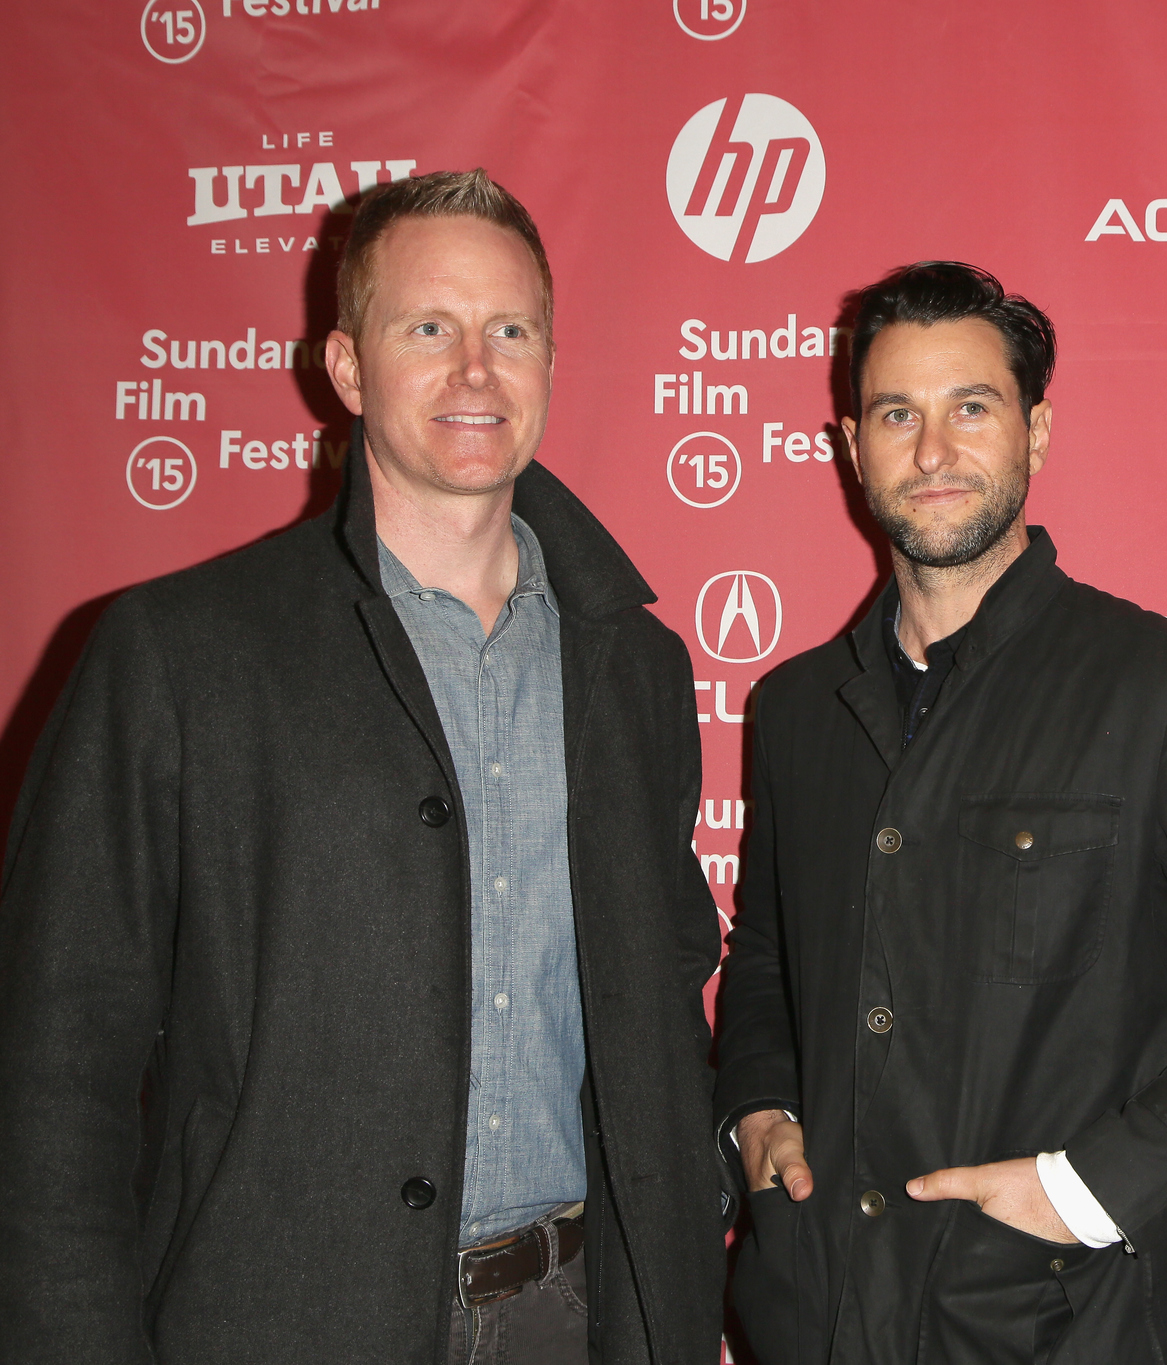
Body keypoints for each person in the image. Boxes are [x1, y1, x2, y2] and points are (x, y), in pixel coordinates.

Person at [0, 169, 728, 1363]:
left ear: (550, 358)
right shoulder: (182, 652)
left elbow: (661, 1001)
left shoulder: (634, 664)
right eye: (426, 329)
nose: (474, 370)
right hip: (278, 1322)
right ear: (345, 368)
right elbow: (54, 1065)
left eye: (509, 331)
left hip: (571, 1316)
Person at [712, 261, 1167, 1364]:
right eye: (897, 414)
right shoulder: (794, 709)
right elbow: (769, 959)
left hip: (1078, 1323)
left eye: (970, 408)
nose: (933, 452)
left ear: (1034, 433)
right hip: (816, 1314)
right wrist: (757, 1108)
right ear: (849, 446)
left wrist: (1097, 1189)